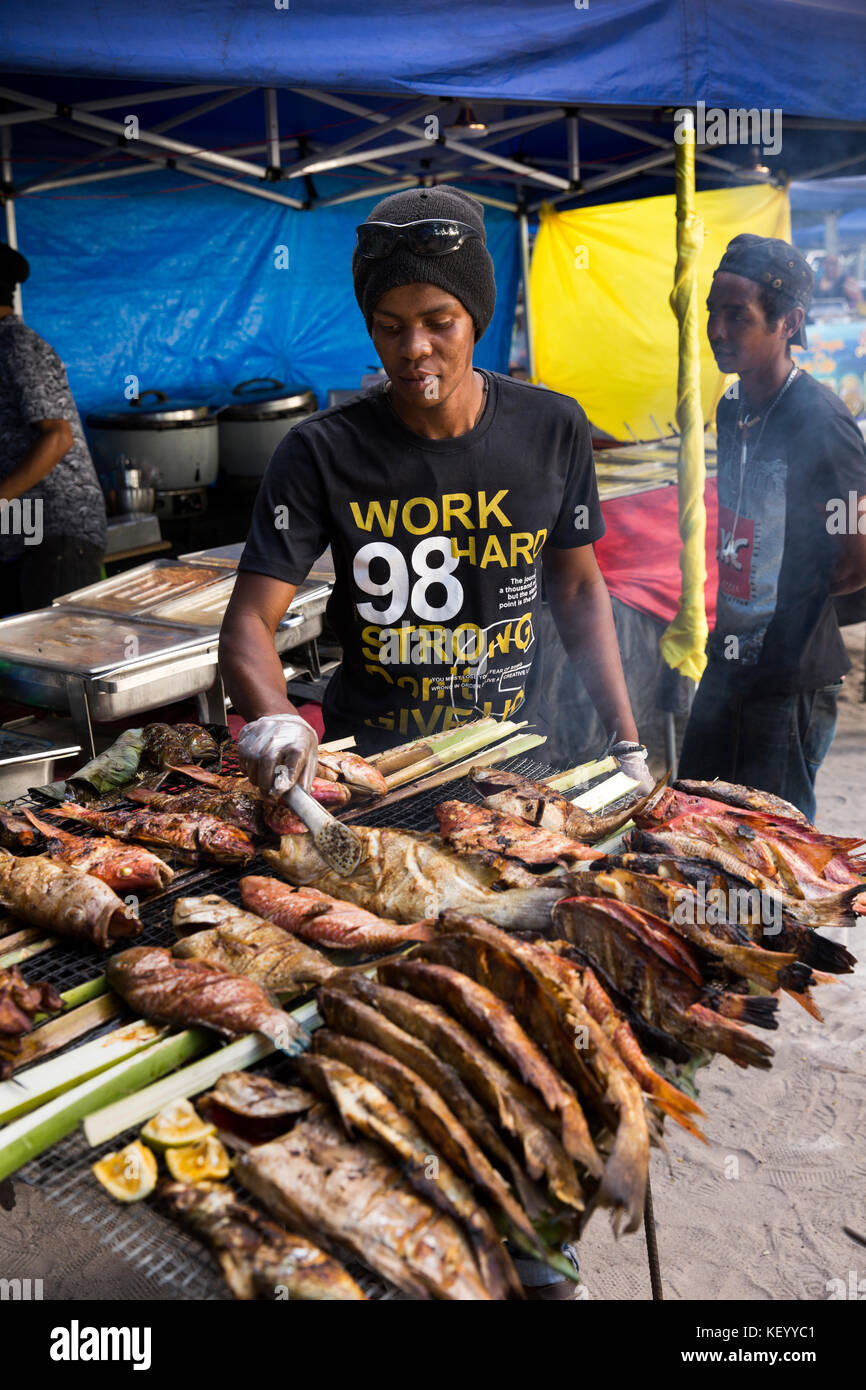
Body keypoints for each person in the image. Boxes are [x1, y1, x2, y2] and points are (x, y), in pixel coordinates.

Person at [220, 185, 648, 799]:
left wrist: (625, 740)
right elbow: (249, 622)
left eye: (438, 323)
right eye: (389, 327)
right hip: (374, 770)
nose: (413, 349)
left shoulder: (552, 426)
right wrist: (277, 718)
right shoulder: (319, 450)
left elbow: (578, 587)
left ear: (477, 317)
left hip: (518, 759)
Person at [678, 234, 866, 819]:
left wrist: (791, 603)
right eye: (713, 312)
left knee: (772, 845)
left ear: (790, 322)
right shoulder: (733, 406)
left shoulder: (822, 420)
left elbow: (859, 552)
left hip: (789, 674)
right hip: (730, 653)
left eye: (738, 315)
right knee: (696, 817)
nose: (717, 330)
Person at [0, 243, 106, 615]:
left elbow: (58, 437)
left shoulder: (16, 346)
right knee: (20, 660)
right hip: (23, 533)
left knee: (60, 658)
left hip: (57, 532)